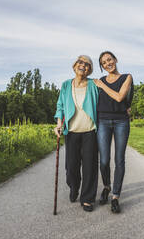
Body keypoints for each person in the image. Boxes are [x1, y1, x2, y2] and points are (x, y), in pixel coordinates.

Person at [54, 55, 99, 212]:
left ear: (90, 69)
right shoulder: (66, 85)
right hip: (71, 132)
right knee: (71, 167)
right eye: (80, 62)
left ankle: (87, 198)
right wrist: (59, 124)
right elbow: (60, 106)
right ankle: (74, 187)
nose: (83, 65)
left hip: (90, 132)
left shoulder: (94, 84)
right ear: (74, 66)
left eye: (87, 64)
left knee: (90, 167)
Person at [93, 51, 133, 214]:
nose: (107, 63)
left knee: (119, 159)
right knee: (103, 161)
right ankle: (107, 187)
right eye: (103, 62)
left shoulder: (126, 77)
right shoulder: (99, 81)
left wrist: (102, 85)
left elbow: (119, 97)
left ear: (115, 60)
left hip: (121, 121)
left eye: (109, 59)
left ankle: (115, 197)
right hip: (103, 121)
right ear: (102, 66)